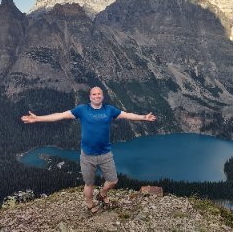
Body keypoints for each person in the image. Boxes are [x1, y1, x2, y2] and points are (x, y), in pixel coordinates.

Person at [21, 86, 156, 213]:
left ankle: (102, 194)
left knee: (113, 180)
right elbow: (60, 115)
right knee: (89, 183)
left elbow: (127, 115)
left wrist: (144, 117)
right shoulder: (82, 110)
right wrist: (38, 118)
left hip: (105, 153)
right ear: (90, 97)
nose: (97, 96)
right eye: (94, 94)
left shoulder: (109, 110)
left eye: (99, 94)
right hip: (87, 155)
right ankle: (90, 204)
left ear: (102, 96)